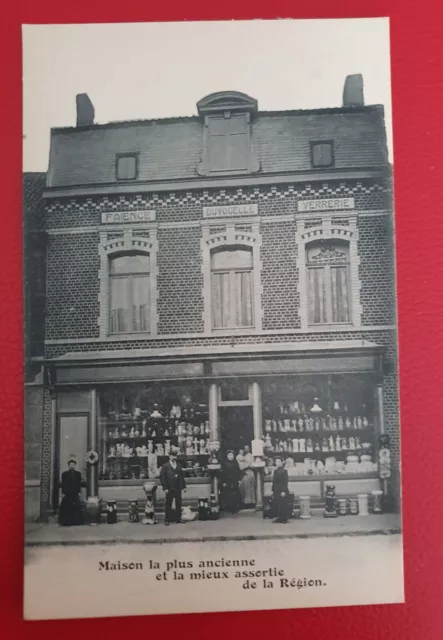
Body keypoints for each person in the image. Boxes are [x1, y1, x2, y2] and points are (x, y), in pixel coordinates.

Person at [159, 448, 186, 525]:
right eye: (172, 456)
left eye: (175, 456)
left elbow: (181, 477)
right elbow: (162, 478)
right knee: (168, 503)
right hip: (169, 487)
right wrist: (165, 488)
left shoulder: (179, 465)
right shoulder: (165, 466)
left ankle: (178, 518)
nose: (174, 457)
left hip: (177, 487)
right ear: (169, 456)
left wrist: (184, 487)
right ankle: (167, 519)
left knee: (178, 503)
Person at [58, 458, 84, 526]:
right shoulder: (64, 474)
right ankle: (66, 522)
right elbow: (63, 484)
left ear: (75, 465)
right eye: (71, 465)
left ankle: (76, 521)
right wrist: (63, 493)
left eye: (73, 465)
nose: (72, 466)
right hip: (67, 493)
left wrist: (79, 492)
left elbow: (79, 483)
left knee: (76, 507)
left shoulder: (78, 474)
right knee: (67, 507)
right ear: (68, 465)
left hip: (75, 493)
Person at [271, 456, 290, 523]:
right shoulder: (275, 471)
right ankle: (279, 517)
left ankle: (284, 518)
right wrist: (273, 490)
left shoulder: (285, 471)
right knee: (278, 504)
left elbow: (285, 482)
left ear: (282, 462)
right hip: (277, 490)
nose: (277, 463)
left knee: (283, 504)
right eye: (276, 462)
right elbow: (274, 482)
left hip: (283, 490)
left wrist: (283, 491)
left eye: (279, 461)